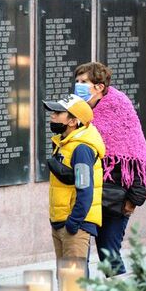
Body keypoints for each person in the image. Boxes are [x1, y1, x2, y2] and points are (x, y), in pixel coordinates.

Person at [74, 62, 146, 276]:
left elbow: (138, 156)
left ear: (99, 86)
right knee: (78, 253)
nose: (78, 86)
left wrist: (134, 200)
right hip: (86, 197)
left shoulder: (120, 109)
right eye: (77, 81)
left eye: (84, 82)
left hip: (116, 200)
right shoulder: (78, 112)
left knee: (108, 253)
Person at [43, 94, 105, 264]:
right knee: (65, 282)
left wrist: (73, 223)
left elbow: (85, 189)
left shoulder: (81, 149)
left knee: (73, 284)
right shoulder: (65, 144)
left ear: (72, 121)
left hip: (73, 227)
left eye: (58, 112)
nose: (52, 116)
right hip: (60, 223)